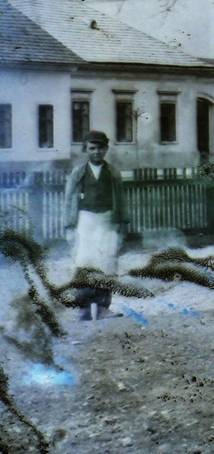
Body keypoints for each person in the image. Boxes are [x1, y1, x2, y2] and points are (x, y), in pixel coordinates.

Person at [62, 131, 124, 320]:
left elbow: (120, 201)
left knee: (106, 263)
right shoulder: (78, 173)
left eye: (100, 148)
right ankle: (84, 309)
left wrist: (121, 225)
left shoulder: (113, 172)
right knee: (85, 262)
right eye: (92, 148)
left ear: (106, 149)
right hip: (85, 221)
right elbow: (69, 200)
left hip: (107, 220)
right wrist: (69, 227)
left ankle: (104, 308)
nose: (96, 152)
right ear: (86, 150)